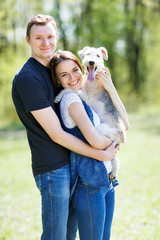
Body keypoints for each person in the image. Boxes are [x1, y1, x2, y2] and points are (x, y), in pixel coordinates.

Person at [11, 14, 119, 240]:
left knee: (69, 234)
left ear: (57, 37)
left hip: (72, 163)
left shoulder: (53, 69)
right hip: (53, 168)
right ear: (28, 40)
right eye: (38, 37)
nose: (45, 42)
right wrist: (101, 153)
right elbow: (56, 134)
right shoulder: (28, 78)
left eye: (50, 36)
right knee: (56, 236)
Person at [50, 50, 129, 240]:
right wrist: (113, 144)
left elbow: (125, 125)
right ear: (58, 80)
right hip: (90, 183)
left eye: (75, 70)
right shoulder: (71, 99)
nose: (73, 77)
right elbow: (95, 140)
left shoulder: (86, 93)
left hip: (106, 178)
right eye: (64, 75)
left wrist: (110, 87)